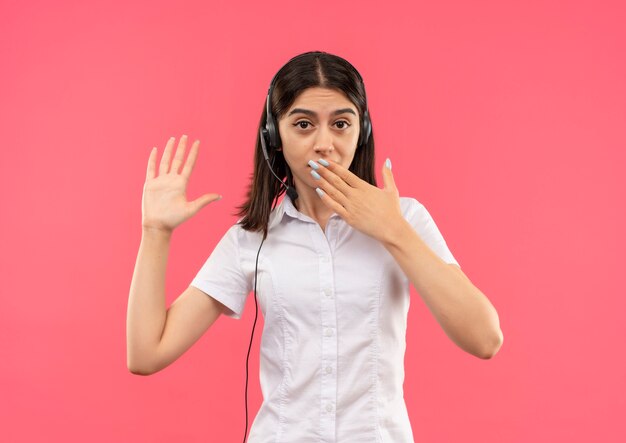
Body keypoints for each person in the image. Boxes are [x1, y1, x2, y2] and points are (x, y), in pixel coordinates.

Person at [127, 51, 503, 443]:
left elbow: (484, 338)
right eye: (304, 124)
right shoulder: (252, 237)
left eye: (341, 123)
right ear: (274, 136)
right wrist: (155, 231)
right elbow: (146, 354)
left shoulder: (405, 219)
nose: (325, 143)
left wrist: (393, 231)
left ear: (363, 131)